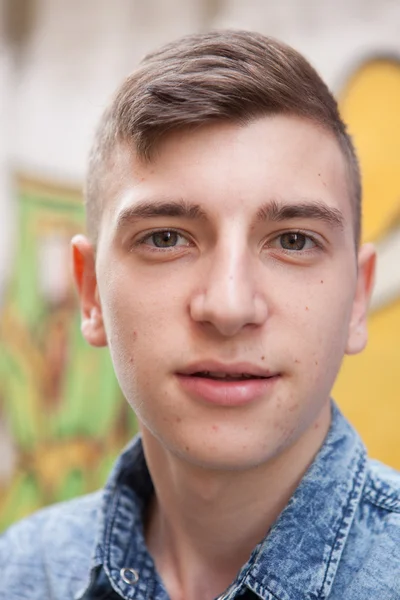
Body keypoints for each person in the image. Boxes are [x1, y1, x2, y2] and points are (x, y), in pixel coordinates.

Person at [1, 29, 399, 600]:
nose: (229, 306)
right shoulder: (22, 573)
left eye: (292, 240)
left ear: (358, 298)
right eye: (166, 238)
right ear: (90, 293)